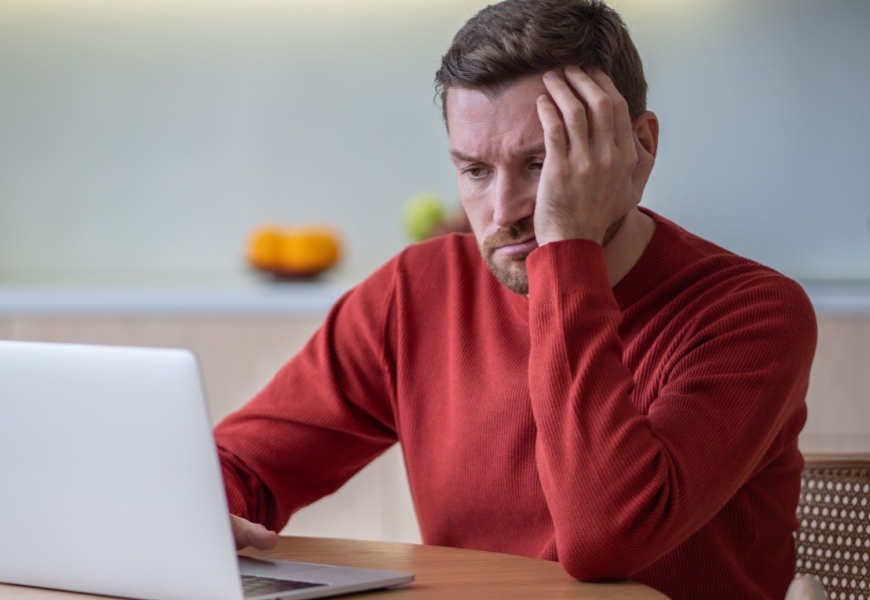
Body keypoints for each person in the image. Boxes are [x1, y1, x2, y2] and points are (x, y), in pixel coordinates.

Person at [214, 0, 817, 599]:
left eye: (540, 162)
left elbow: (604, 539)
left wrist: (568, 248)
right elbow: (240, 465)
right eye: (476, 170)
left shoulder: (753, 315)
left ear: (638, 147)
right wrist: (209, 506)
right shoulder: (416, 292)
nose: (503, 212)